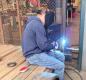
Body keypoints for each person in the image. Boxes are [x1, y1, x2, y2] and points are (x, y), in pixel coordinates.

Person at [22, 8, 65, 80]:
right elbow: (43, 46)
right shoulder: (37, 25)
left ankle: (54, 76)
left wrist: (51, 42)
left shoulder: (36, 23)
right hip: (33, 55)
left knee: (61, 56)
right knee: (60, 66)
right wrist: (53, 45)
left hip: (38, 51)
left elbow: (42, 42)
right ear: (41, 15)